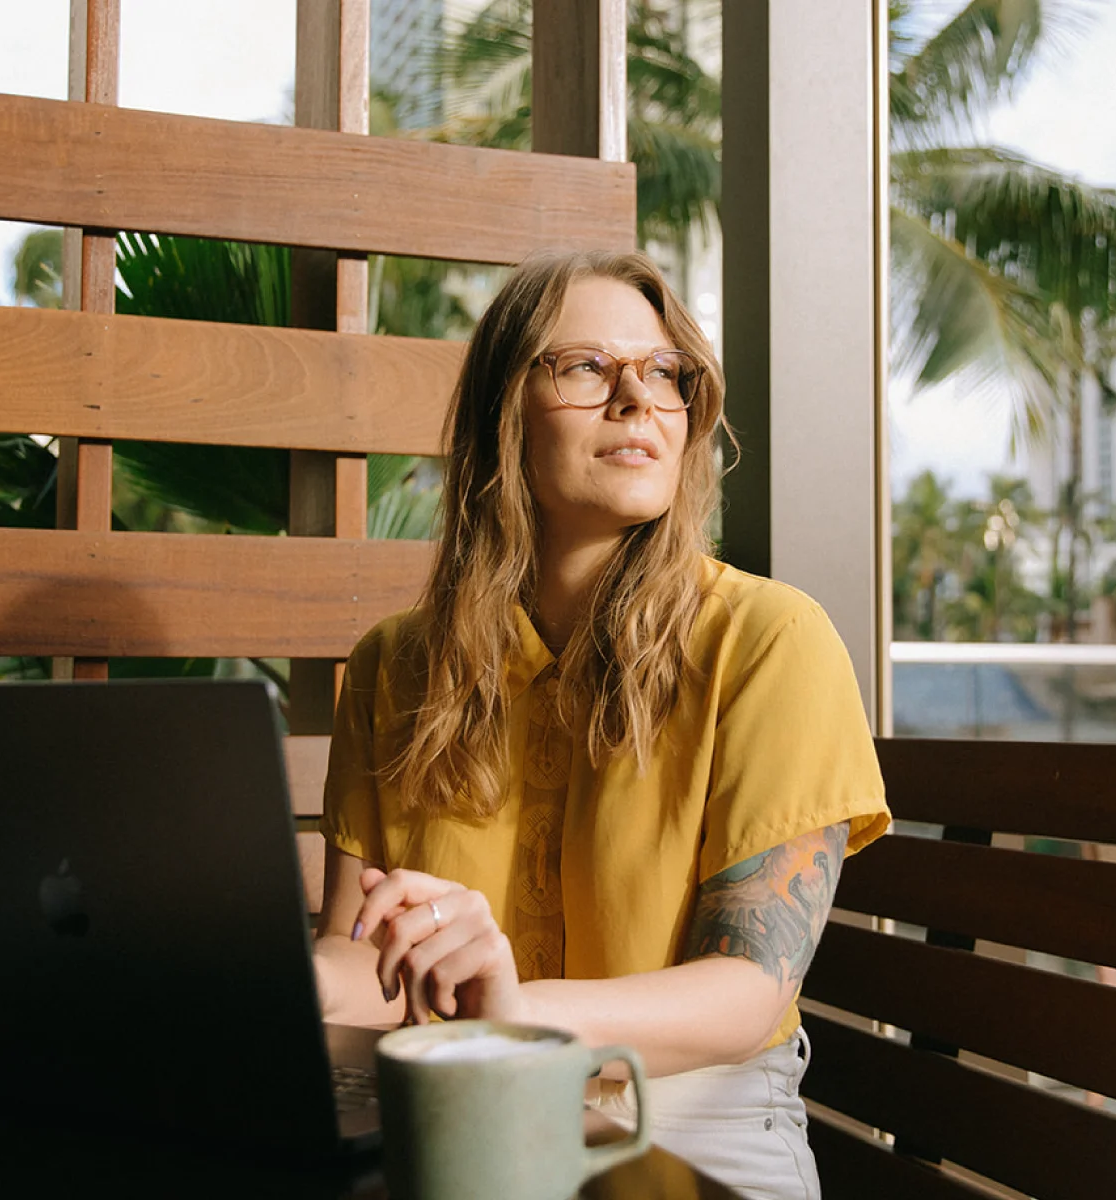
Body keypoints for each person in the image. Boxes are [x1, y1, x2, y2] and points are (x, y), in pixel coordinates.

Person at [311, 249, 889, 1200]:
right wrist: (231, 997)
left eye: (665, 373)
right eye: (585, 367)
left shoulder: (769, 639)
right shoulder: (394, 665)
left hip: (692, 1126)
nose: (639, 400)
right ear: (505, 410)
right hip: (457, 1112)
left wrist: (516, 1022)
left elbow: (751, 988)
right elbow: (351, 954)